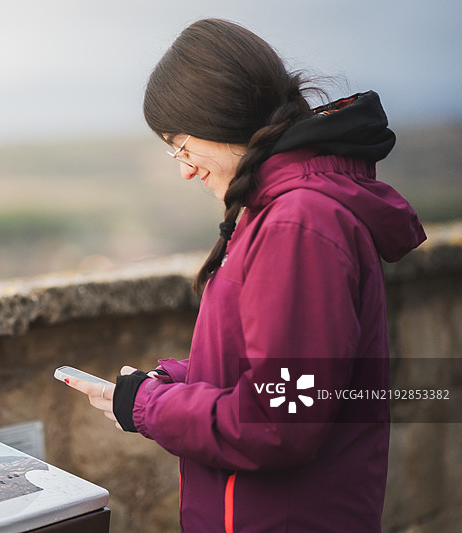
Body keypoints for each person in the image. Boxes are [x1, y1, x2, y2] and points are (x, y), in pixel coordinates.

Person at [63, 18, 426, 533]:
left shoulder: (299, 223)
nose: (184, 169)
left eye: (183, 146)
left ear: (222, 119)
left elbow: (278, 421)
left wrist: (148, 406)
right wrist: (168, 381)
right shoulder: (280, 211)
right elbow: (274, 366)